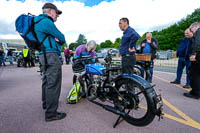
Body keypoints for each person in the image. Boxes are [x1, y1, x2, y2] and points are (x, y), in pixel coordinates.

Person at [34, 3, 66, 121]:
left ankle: (46, 104)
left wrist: (55, 39)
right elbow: (62, 38)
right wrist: (57, 40)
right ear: (50, 11)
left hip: (43, 55)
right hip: (51, 55)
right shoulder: (47, 22)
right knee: (54, 83)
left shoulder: (37, 21)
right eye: (57, 13)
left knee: (46, 81)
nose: (57, 15)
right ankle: (51, 113)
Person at [183, 22, 200, 99]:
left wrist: (194, 54)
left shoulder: (198, 32)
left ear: (195, 26)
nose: (191, 30)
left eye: (190, 29)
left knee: (194, 75)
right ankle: (195, 91)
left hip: (197, 58)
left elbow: (197, 43)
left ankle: (195, 93)